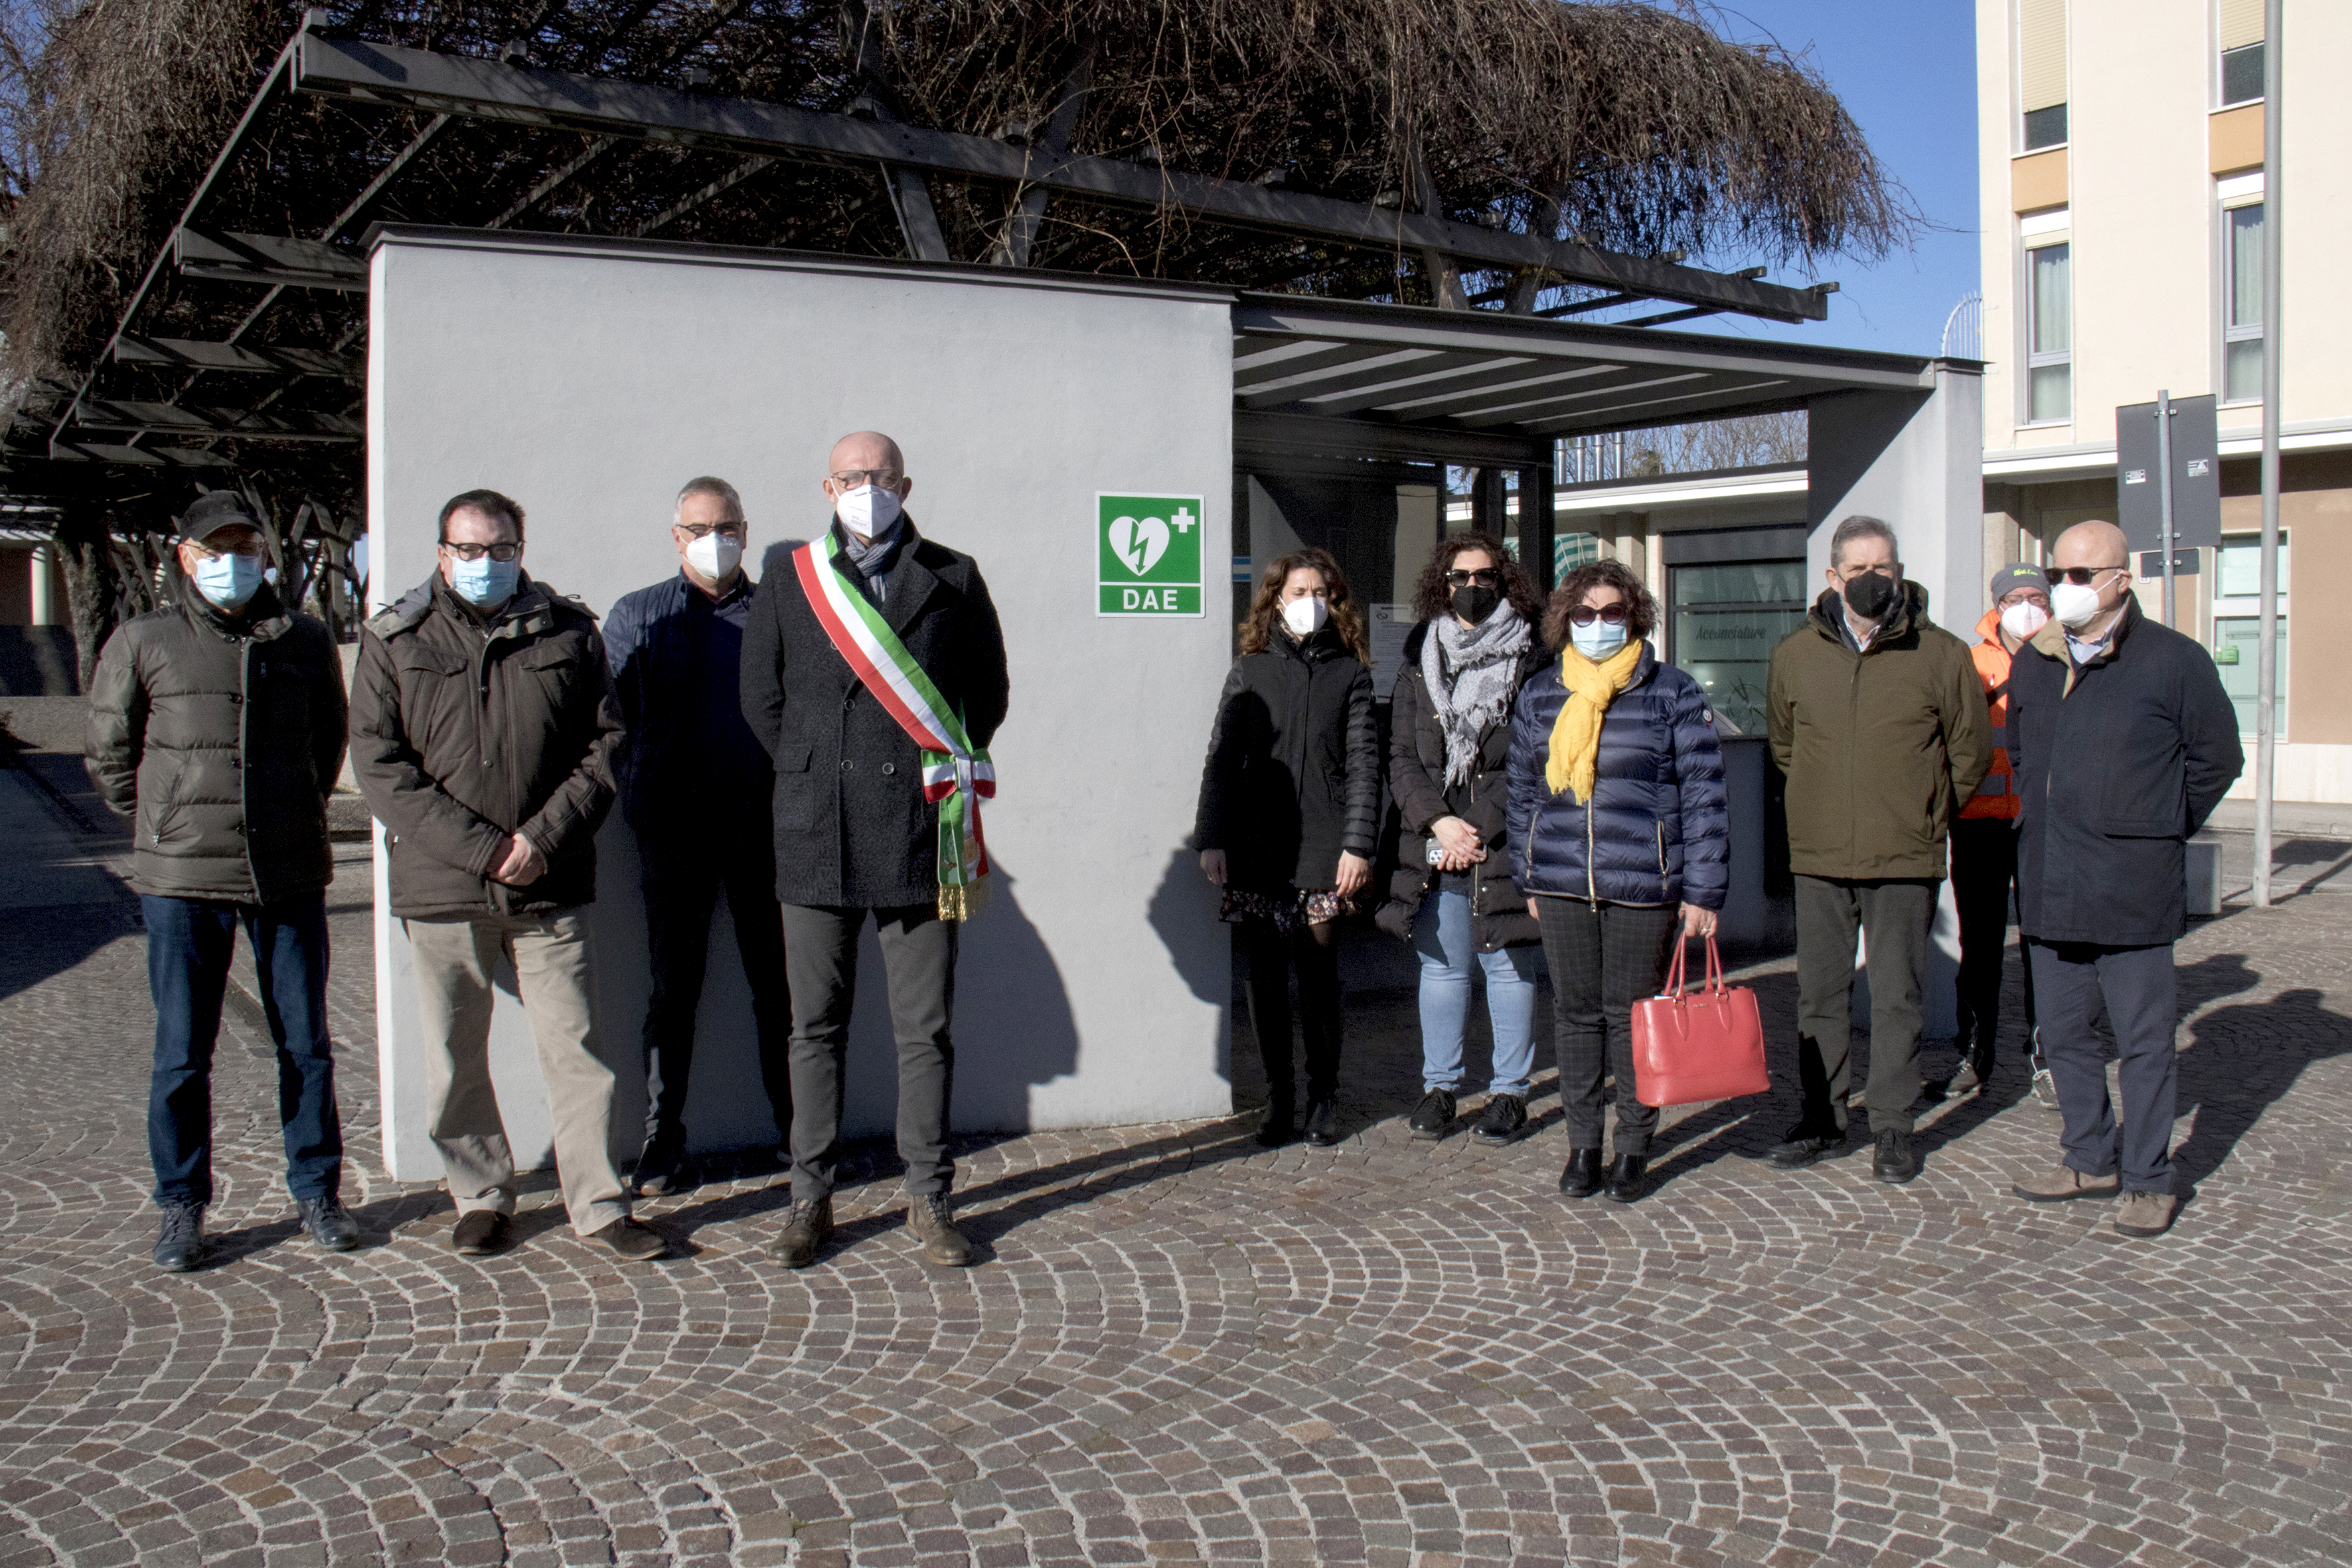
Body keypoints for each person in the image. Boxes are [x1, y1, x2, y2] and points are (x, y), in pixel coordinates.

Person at [350, 488, 667, 1263]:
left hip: (549, 881)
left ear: (521, 550)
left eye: (499, 549)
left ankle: (596, 1202)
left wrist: (541, 839)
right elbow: (380, 766)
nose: (484, 563)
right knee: (455, 1053)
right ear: (441, 553)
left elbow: (605, 746)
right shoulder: (395, 637)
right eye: (468, 550)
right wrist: (485, 848)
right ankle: (481, 1195)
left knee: (578, 1048)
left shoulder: (567, 630)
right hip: (444, 885)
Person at [741, 431, 1009, 1271]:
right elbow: (763, 698)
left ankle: (928, 1196)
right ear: (828, 486)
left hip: (919, 832)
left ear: (905, 483)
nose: (868, 488)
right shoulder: (791, 575)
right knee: (812, 1028)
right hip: (816, 832)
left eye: (881, 476)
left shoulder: (954, 573)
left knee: (923, 1031)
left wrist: (932, 768)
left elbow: (987, 692)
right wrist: (818, 770)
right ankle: (808, 1199)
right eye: (853, 476)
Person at [85, 491, 356, 1271]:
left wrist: (294, 809)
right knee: (182, 1052)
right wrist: (166, 824)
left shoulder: (301, 640)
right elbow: (110, 753)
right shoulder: (144, 640)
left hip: (288, 871)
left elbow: (326, 745)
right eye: (215, 551)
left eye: (245, 548)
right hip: (183, 878)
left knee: (304, 1044)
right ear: (185, 557)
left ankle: (317, 1190)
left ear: (266, 555)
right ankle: (181, 1205)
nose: (231, 564)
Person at [2007, 520, 2241, 1239]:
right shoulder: (2036, 661)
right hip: (2050, 880)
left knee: (2144, 1042)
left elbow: (2216, 758)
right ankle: (2089, 1155)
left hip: (2133, 886)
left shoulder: (2175, 661)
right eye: (2058, 575)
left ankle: (2147, 1178)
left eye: (2082, 575)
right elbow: (2020, 752)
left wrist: (2158, 825)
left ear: (2120, 579)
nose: (2066, 589)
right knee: (2067, 1034)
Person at [1764, 514, 1991, 1184]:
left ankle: (1893, 1125)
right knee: (1820, 997)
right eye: (1857, 569)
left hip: (1905, 856)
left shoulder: (1942, 654)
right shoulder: (1795, 656)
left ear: (1900, 571)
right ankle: (1823, 1119)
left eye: (1883, 567)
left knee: (1898, 998)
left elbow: (1970, 752)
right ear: (1834, 577)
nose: (1872, 579)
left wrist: (1925, 814)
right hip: (1820, 856)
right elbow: (1785, 746)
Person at [1506, 559, 1729, 1204]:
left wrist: (1703, 891)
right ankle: (1584, 1146)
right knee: (1575, 1016)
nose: (1599, 624)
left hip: (1645, 883)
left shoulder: (1672, 692)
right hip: (1562, 881)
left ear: (1634, 616)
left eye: (1611, 613)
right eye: (1585, 613)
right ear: (1564, 620)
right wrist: (1529, 874)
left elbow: (1706, 799)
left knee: (1633, 1018)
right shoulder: (1543, 694)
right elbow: (1522, 792)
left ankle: (1634, 1145)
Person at [603, 477, 793, 1196]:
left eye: (728, 526)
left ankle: (796, 1130)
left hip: (765, 832)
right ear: (677, 536)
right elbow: (613, 725)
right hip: (673, 834)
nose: (715, 540)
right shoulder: (638, 615)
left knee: (776, 988)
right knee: (672, 991)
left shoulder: (777, 610)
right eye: (700, 528)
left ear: (745, 530)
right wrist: (644, 804)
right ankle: (663, 1139)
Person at [1195, 546, 1379, 1149]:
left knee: (1319, 978)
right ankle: (1280, 1099)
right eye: (1299, 593)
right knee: (1266, 980)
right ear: (1276, 600)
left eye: (1320, 593)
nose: (1310, 603)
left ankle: (1324, 1095)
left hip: (1326, 851)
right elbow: (1221, 760)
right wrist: (1212, 838)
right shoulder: (1248, 671)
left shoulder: (1350, 674)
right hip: (1256, 849)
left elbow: (1363, 767)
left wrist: (1357, 845)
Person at [1378, 532, 1548, 1146]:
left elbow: (1535, 758)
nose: (1470, 588)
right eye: (1459, 577)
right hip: (1434, 838)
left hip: (1500, 840)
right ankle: (1441, 1089)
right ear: (1440, 583)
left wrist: (1472, 827)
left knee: (1506, 965)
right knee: (1442, 967)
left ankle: (1509, 1095)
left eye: (1484, 577)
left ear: (1503, 583)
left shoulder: (1533, 655)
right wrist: (1438, 823)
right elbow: (1400, 754)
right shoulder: (1419, 652)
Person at [1950, 562, 2050, 1102]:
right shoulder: (1967, 664)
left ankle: (2048, 1056)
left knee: (2045, 944)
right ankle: (1973, 1054)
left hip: (2044, 824)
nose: (2027, 606)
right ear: (1998, 605)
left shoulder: (2064, 656)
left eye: (2037, 595)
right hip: (1978, 825)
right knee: (1980, 949)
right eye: (2016, 598)